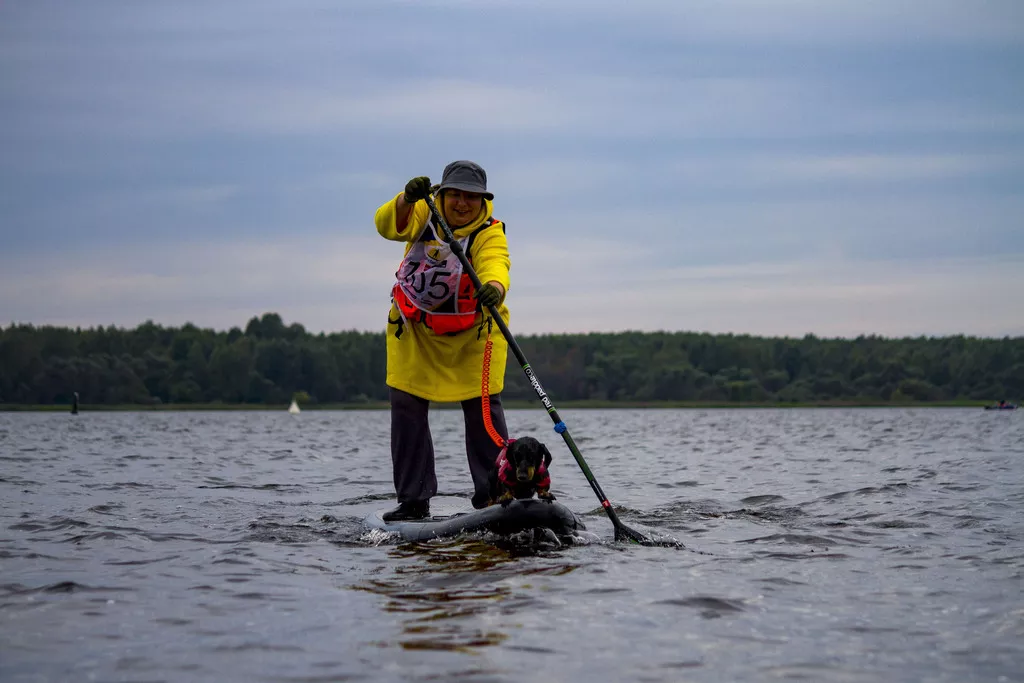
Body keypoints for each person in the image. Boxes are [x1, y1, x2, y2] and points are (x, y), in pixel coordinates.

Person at [374, 160, 511, 521]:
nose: (462, 203)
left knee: (483, 411)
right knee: (406, 408)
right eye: (455, 195)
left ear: (482, 201)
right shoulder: (424, 211)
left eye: (471, 197)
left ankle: (494, 496)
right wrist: (405, 198)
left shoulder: (489, 231)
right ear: (442, 194)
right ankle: (413, 500)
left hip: (473, 338)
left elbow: (497, 263)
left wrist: (494, 288)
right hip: (414, 333)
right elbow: (388, 225)